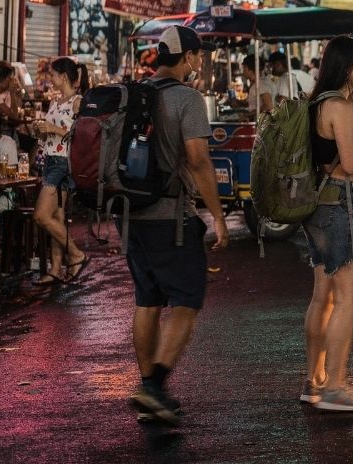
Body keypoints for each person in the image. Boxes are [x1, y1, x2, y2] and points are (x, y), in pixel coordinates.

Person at [123, 25, 229, 426]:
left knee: (147, 300)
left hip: (130, 214)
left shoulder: (134, 94)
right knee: (187, 298)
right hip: (170, 217)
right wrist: (218, 217)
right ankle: (153, 387)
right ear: (187, 57)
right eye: (197, 56)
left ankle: (149, 385)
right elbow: (199, 161)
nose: (198, 63)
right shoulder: (188, 98)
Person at [301, 36, 353, 412]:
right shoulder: (339, 106)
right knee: (347, 297)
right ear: (345, 66)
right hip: (342, 204)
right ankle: (335, 385)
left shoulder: (315, 102)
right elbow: (350, 165)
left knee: (323, 295)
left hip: (318, 204)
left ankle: (314, 379)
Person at [31, 58, 91, 285]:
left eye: (53, 75)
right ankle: (56, 268)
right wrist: (42, 132)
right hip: (50, 159)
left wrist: (53, 129)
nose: (50, 80)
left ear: (64, 76)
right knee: (56, 216)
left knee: (41, 215)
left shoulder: (78, 101)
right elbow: (50, 135)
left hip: (63, 162)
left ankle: (76, 255)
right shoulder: (55, 102)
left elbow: (80, 135)